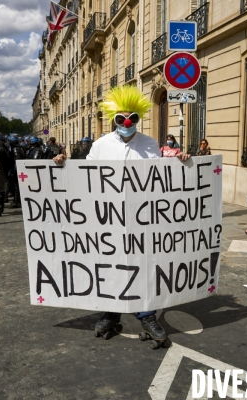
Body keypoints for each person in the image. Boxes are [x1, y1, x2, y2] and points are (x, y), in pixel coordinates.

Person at [53, 85, 190, 345]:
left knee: (142, 265)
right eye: (121, 118)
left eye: (132, 118)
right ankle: (111, 312)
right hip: (108, 219)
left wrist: (183, 162)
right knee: (110, 265)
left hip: (143, 219)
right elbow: (83, 176)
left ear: (138, 118)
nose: (127, 123)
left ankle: (147, 315)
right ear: (114, 119)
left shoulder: (150, 145)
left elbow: (164, 178)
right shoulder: (101, 144)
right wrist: (61, 165)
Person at [7, 133, 25, 208]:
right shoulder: (19, 147)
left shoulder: (15, 149)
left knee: (16, 186)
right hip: (16, 170)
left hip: (16, 171)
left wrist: (13, 171)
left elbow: (17, 161)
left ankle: (16, 201)